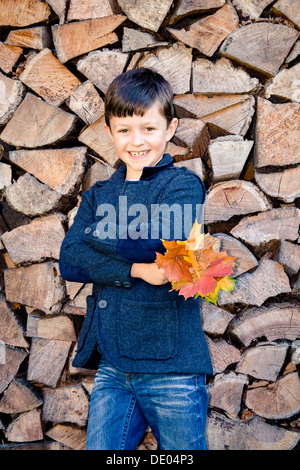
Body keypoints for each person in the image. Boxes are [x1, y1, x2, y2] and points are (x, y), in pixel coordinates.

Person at [59, 68, 213, 450]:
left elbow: (162, 241)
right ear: (109, 132)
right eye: (124, 130)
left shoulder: (181, 184)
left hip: (170, 365)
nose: (136, 141)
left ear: (170, 127)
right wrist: (137, 269)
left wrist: (95, 232)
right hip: (113, 364)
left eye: (147, 128)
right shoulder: (99, 193)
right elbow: (70, 259)